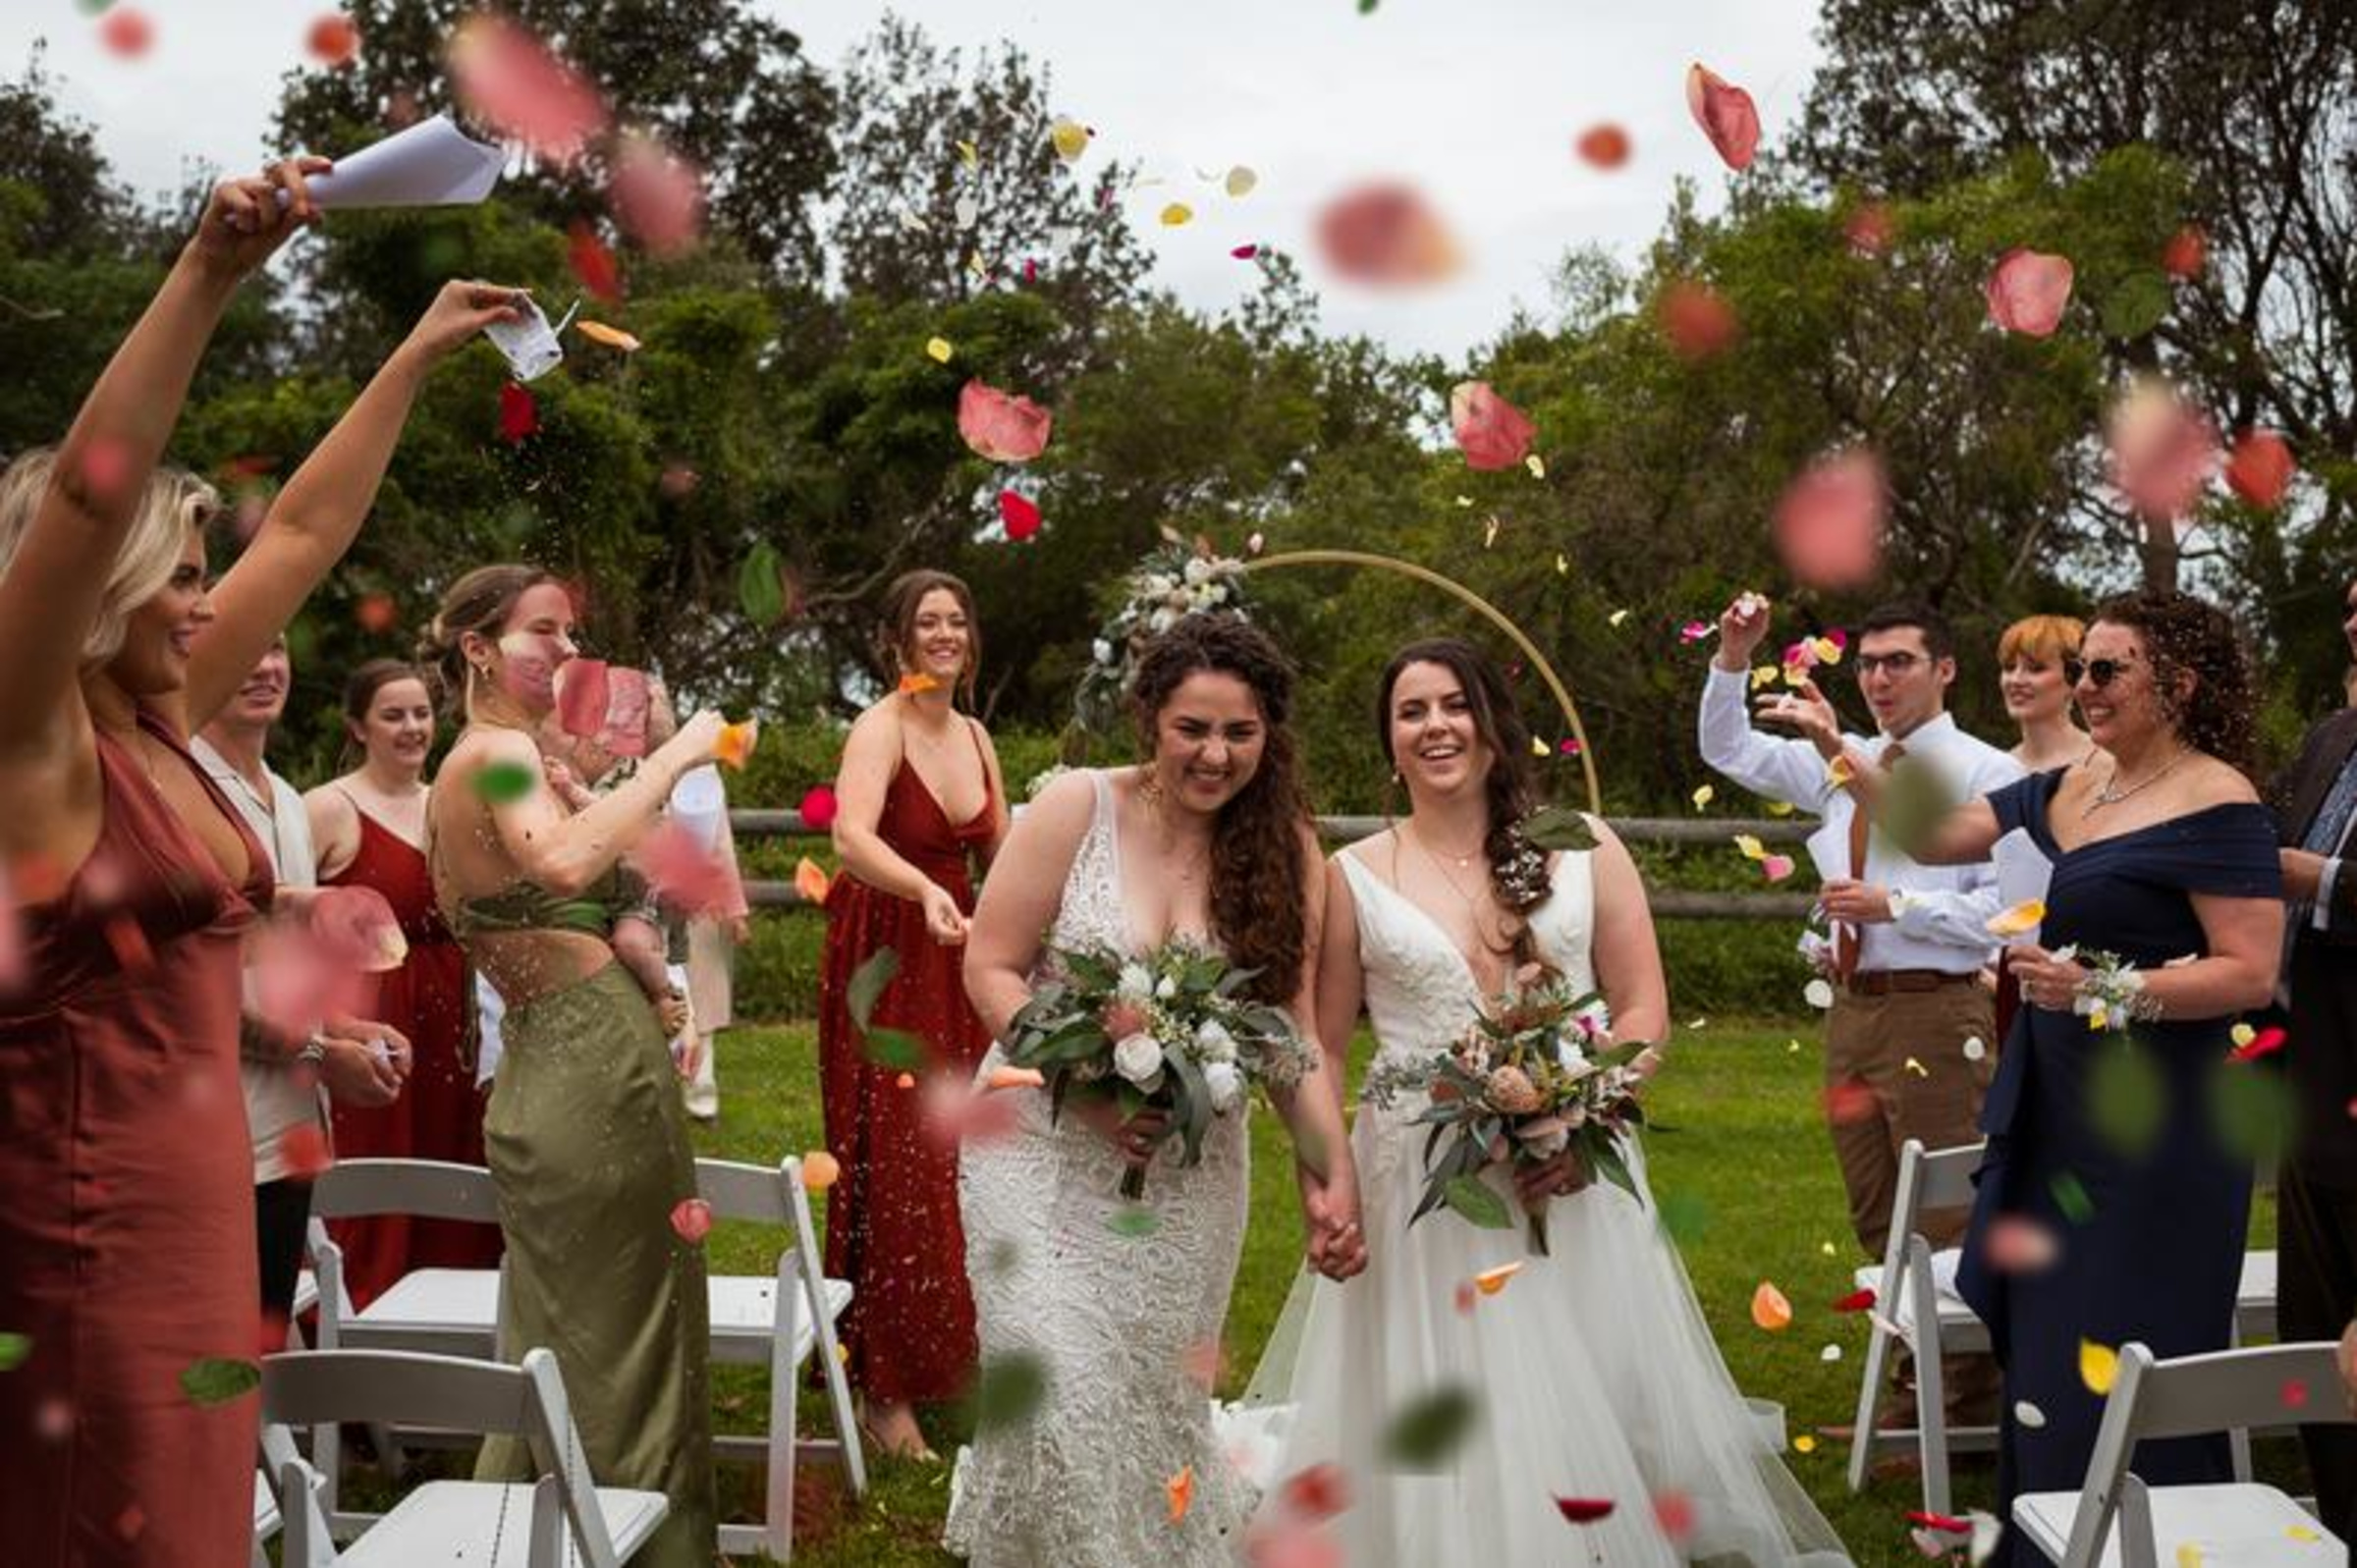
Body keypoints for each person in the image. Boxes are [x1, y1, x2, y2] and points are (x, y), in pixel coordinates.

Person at [0, 144, 519, 1563]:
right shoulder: (35, 747)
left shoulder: (157, 722)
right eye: (176, 577)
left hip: (202, 1217)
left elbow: (299, 530)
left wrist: (411, 359)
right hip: (85, 1225)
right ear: (90, 598)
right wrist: (211, 270)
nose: (203, 602)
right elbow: (89, 504)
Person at [1238, 638, 1849, 1565]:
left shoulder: (1584, 842)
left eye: (1453, 704)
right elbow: (1323, 1044)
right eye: (1412, 712)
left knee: (1586, 1385)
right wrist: (1328, 1180)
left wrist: (1584, 1109)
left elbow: (1643, 1009)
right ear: (1390, 744)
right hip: (1422, 1183)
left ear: (1491, 724)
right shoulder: (1351, 872)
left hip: (1573, 1169)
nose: (1435, 725)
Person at [1868, 589, 2281, 1566]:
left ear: (2175, 683)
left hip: (2157, 1137)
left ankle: (2149, 1545)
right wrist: (1845, 751)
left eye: (2105, 669)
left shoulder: (2219, 798)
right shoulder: (2078, 782)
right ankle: (2048, 1544)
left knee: (2134, 1351)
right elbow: (1934, 839)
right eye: (2081, 668)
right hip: (2060, 1114)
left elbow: (2250, 972)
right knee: (2051, 1347)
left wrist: (2105, 984)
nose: (2082, 687)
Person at [948, 615, 1365, 1566]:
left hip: (1191, 1175)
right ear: (1150, 717)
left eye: (1240, 733)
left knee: (1143, 1399)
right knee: (1056, 1387)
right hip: (1039, 1148)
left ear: (1271, 735)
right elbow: (993, 967)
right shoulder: (1073, 805)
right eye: (1193, 728)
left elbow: (1290, 1032)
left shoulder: (1287, 847)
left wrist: (1329, 1178)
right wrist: (1084, 1088)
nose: (1215, 755)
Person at [421, 565, 727, 1566]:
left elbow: (586, 873)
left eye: (568, 633)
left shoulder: (489, 759)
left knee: (576, 1327)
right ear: (477, 648)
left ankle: (557, 1534)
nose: (563, 651)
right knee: (626, 1328)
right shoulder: (500, 755)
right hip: (591, 1071)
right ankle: (630, 1543)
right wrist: (679, 754)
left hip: (559, 1063)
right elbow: (557, 865)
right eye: (539, 632)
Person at [1699, 597, 2022, 1260]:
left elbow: (2010, 912)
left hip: (1939, 1010)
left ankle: (1965, 1365)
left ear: (1946, 669)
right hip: (1852, 1012)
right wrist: (1734, 657)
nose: (1878, 678)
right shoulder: (1842, 759)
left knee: (1947, 1212)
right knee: (1874, 1209)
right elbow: (1727, 747)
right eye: (1869, 664)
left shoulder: (1989, 772)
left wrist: (1897, 906)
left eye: (1899, 662)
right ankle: (1909, 1357)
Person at [819, 569, 1008, 1459]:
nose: (944, 632)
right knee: (894, 1154)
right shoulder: (879, 725)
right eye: (927, 620)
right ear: (899, 637)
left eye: (955, 619)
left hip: (961, 952)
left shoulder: (975, 733)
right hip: (887, 953)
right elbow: (850, 836)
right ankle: (881, 1385)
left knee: (961, 1156)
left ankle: (951, 1361)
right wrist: (927, 885)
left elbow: (1003, 850)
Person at [193, 636, 410, 1330]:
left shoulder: (285, 797)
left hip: (287, 1140)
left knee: (259, 1345)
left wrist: (348, 1031)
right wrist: (318, 1057)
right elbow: (195, 988)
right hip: (214, 1143)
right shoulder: (185, 792)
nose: (263, 665)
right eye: (242, 646)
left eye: (277, 647)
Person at [305, 659, 499, 1306]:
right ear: (357, 726)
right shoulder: (326, 810)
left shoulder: (448, 802)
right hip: (371, 1017)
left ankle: (458, 1335)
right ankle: (359, 1335)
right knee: (377, 1179)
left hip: (456, 1017)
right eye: (393, 714)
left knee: (458, 1169)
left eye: (421, 712)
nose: (413, 726)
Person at [2269, 573, 2357, 1540]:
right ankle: (2336, 1519)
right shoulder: (2335, 734)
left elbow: (2299, 865)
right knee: (2311, 1324)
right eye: (2351, 607)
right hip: (2308, 1069)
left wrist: (2315, 877)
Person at [2000, 614, 2094, 772]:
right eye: (2009, 667)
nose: (2016, 680)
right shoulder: (1997, 769)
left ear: (2074, 678)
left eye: (2036, 669)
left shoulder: (2106, 761)